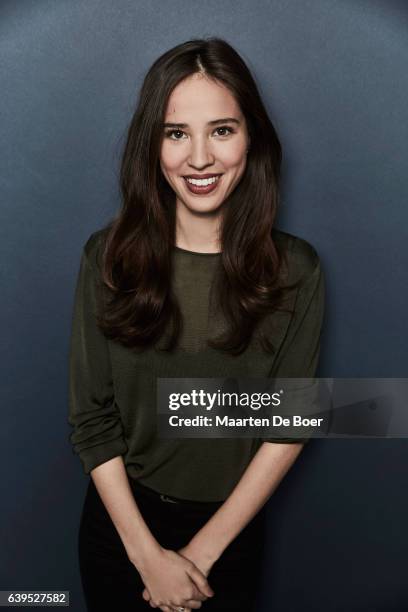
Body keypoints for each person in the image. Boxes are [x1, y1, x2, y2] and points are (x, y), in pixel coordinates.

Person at [68, 37, 325, 612]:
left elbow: (291, 422)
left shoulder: (297, 271)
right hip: (121, 535)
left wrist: (200, 557)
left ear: (251, 137)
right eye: (176, 132)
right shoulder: (106, 258)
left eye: (223, 130)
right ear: (152, 145)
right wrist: (148, 558)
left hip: (229, 538)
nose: (200, 158)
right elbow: (91, 419)